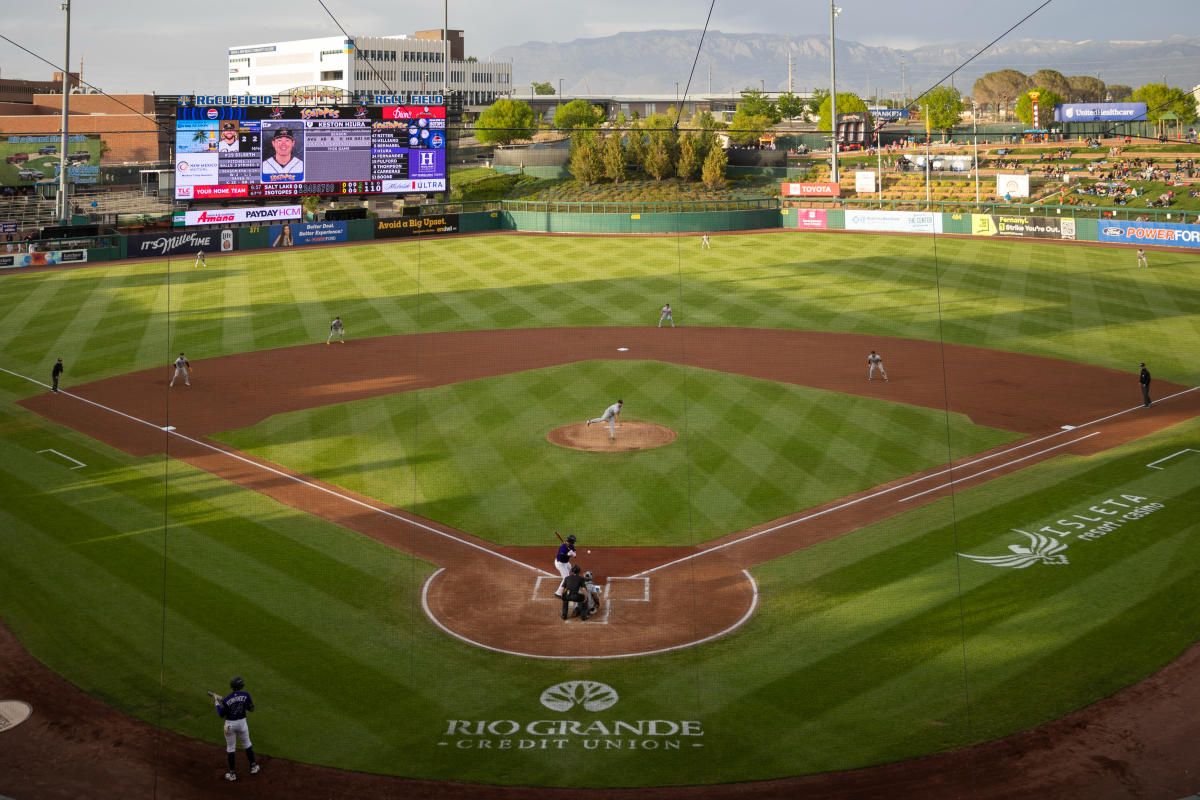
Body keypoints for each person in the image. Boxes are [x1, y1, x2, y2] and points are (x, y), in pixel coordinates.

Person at [208, 675, 260, 781]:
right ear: (241, 686)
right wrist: (241, 704)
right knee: (247, 744)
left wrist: (217, 703)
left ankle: (232, 774)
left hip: (230, 725)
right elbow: (251, 709)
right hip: (242, 723)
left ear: (231, 686)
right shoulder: (246, 695)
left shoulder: (227, 699)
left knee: (231, 748)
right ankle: (253, 766)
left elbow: (221, 714)